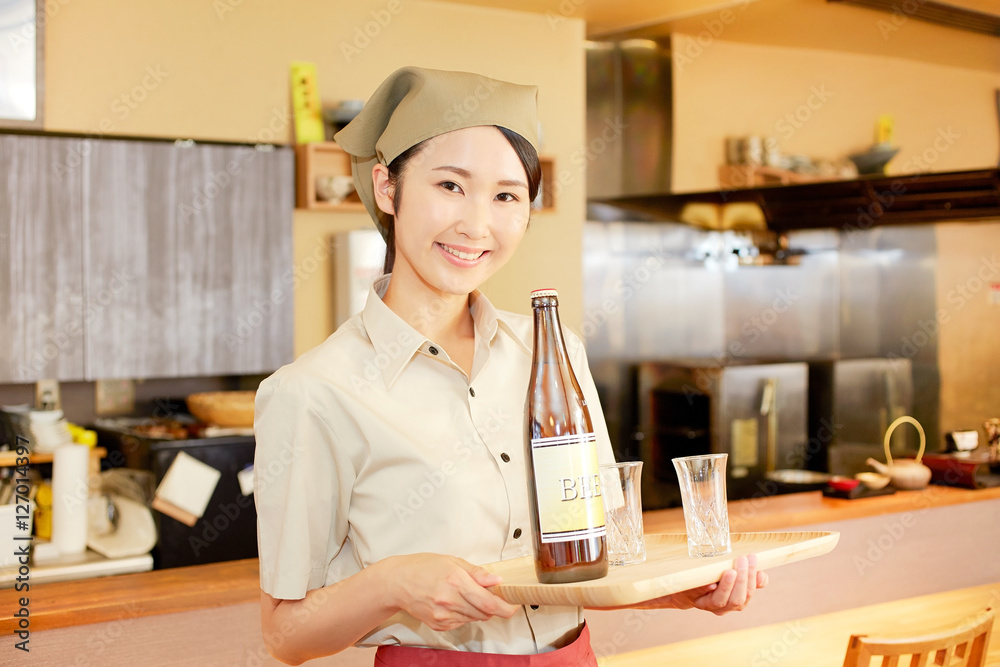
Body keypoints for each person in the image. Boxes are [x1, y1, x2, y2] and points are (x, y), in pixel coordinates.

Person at [253, 66, 767, 666]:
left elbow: (585, 564)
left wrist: (680, 592)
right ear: (387, 188)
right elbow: (285, 635)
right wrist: (392, 582)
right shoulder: (313, 392)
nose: (477, 224)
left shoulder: (554, 354)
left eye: (506, 195)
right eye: (450, 185)